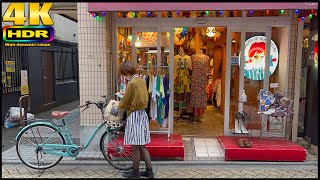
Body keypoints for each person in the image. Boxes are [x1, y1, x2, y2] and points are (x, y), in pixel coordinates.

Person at [117, 60, 154, 179]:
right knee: (142, 146)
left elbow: (124, 102)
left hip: (135, 116)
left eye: (123, 73)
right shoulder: (141, 80)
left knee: (135, 147)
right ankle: (149, 171)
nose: (123, 76)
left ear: (126, 71)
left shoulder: (132, 83)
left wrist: (117, 106)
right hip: (142, 115)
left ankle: (136, 172)